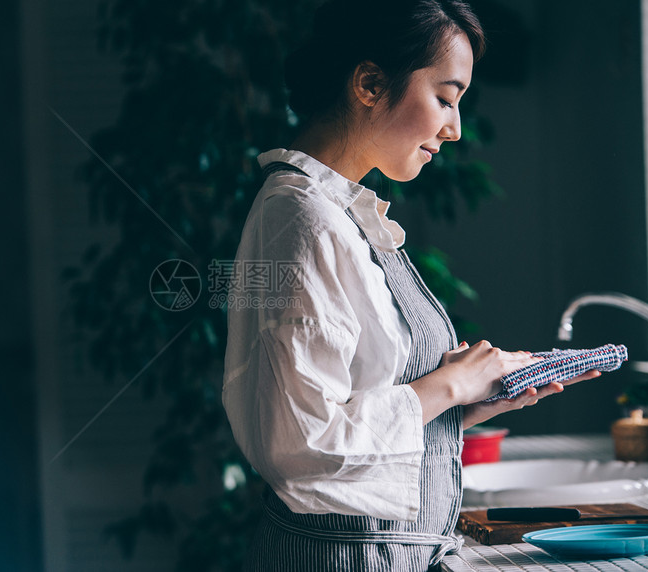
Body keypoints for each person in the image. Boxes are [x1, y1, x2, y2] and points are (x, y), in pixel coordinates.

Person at [221, 1, 600, 570]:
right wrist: (447, 386)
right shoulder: (303, 221)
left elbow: (355, 408)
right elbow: (300, 444)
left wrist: (468, 400)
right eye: (446, 98)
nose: (456, 128)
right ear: (370, 83)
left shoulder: (337, 214)